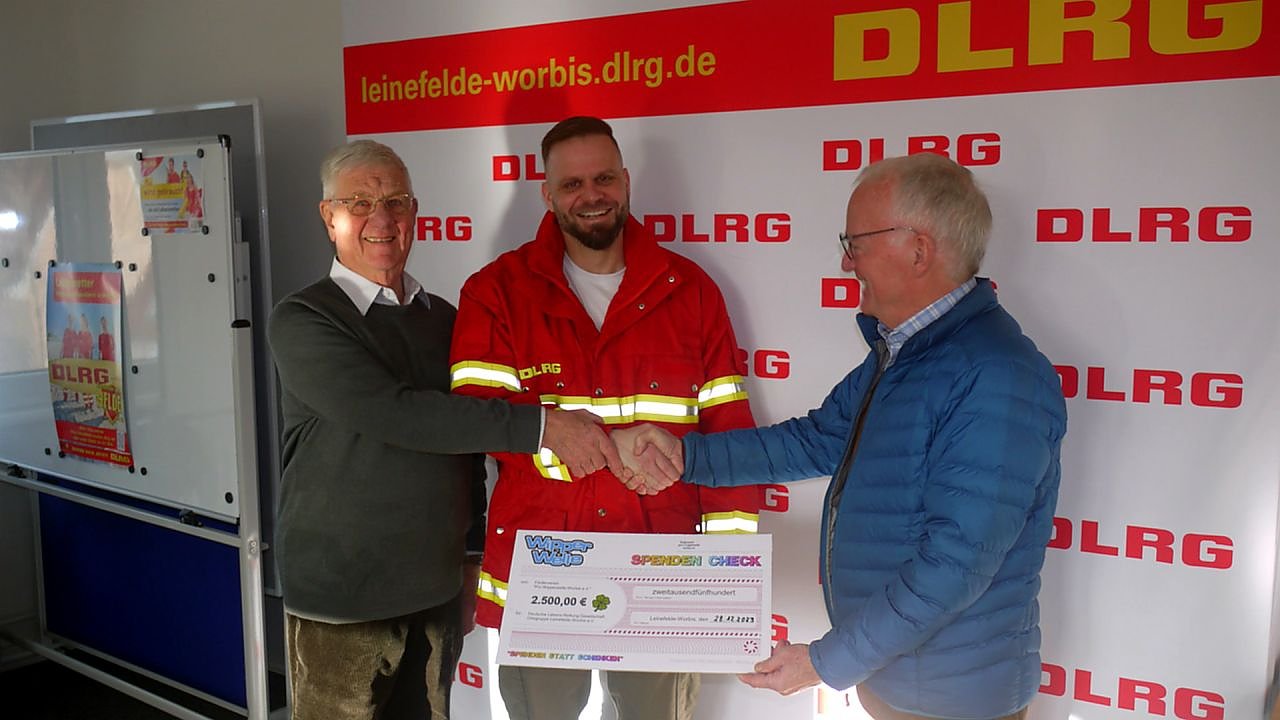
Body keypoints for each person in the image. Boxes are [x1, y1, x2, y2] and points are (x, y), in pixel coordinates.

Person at [616, 153, 1068, 720]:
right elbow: (816, 440)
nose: (846, 261)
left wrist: (825, 664)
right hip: (900, 684)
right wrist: (685, 456)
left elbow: (954, 566)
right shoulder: (905, 354)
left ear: (918, 250)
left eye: (856, 243)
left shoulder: (996, 376)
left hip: (952, 702)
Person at [267, 140, 622, 720]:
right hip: (343, 598)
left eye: (396, 202)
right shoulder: (304, 318)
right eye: (360, 203)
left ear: (415, 213)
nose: (382, 219)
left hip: (434, 591)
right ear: (329, 217)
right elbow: (396, 415)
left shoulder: (444, 318)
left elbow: (465, 449)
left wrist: (472, 552)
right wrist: (543, 427)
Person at [448, 116, 764, 720]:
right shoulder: (497, 292)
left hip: (661, 569)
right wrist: (584, 441)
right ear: (547, 194)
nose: (591, 196)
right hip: (545, 570)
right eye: (571, 184)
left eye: (603, 179)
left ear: (625, 181)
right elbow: (479, 419)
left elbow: (730, 437)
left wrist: (730, 580)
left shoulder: (690, 291)